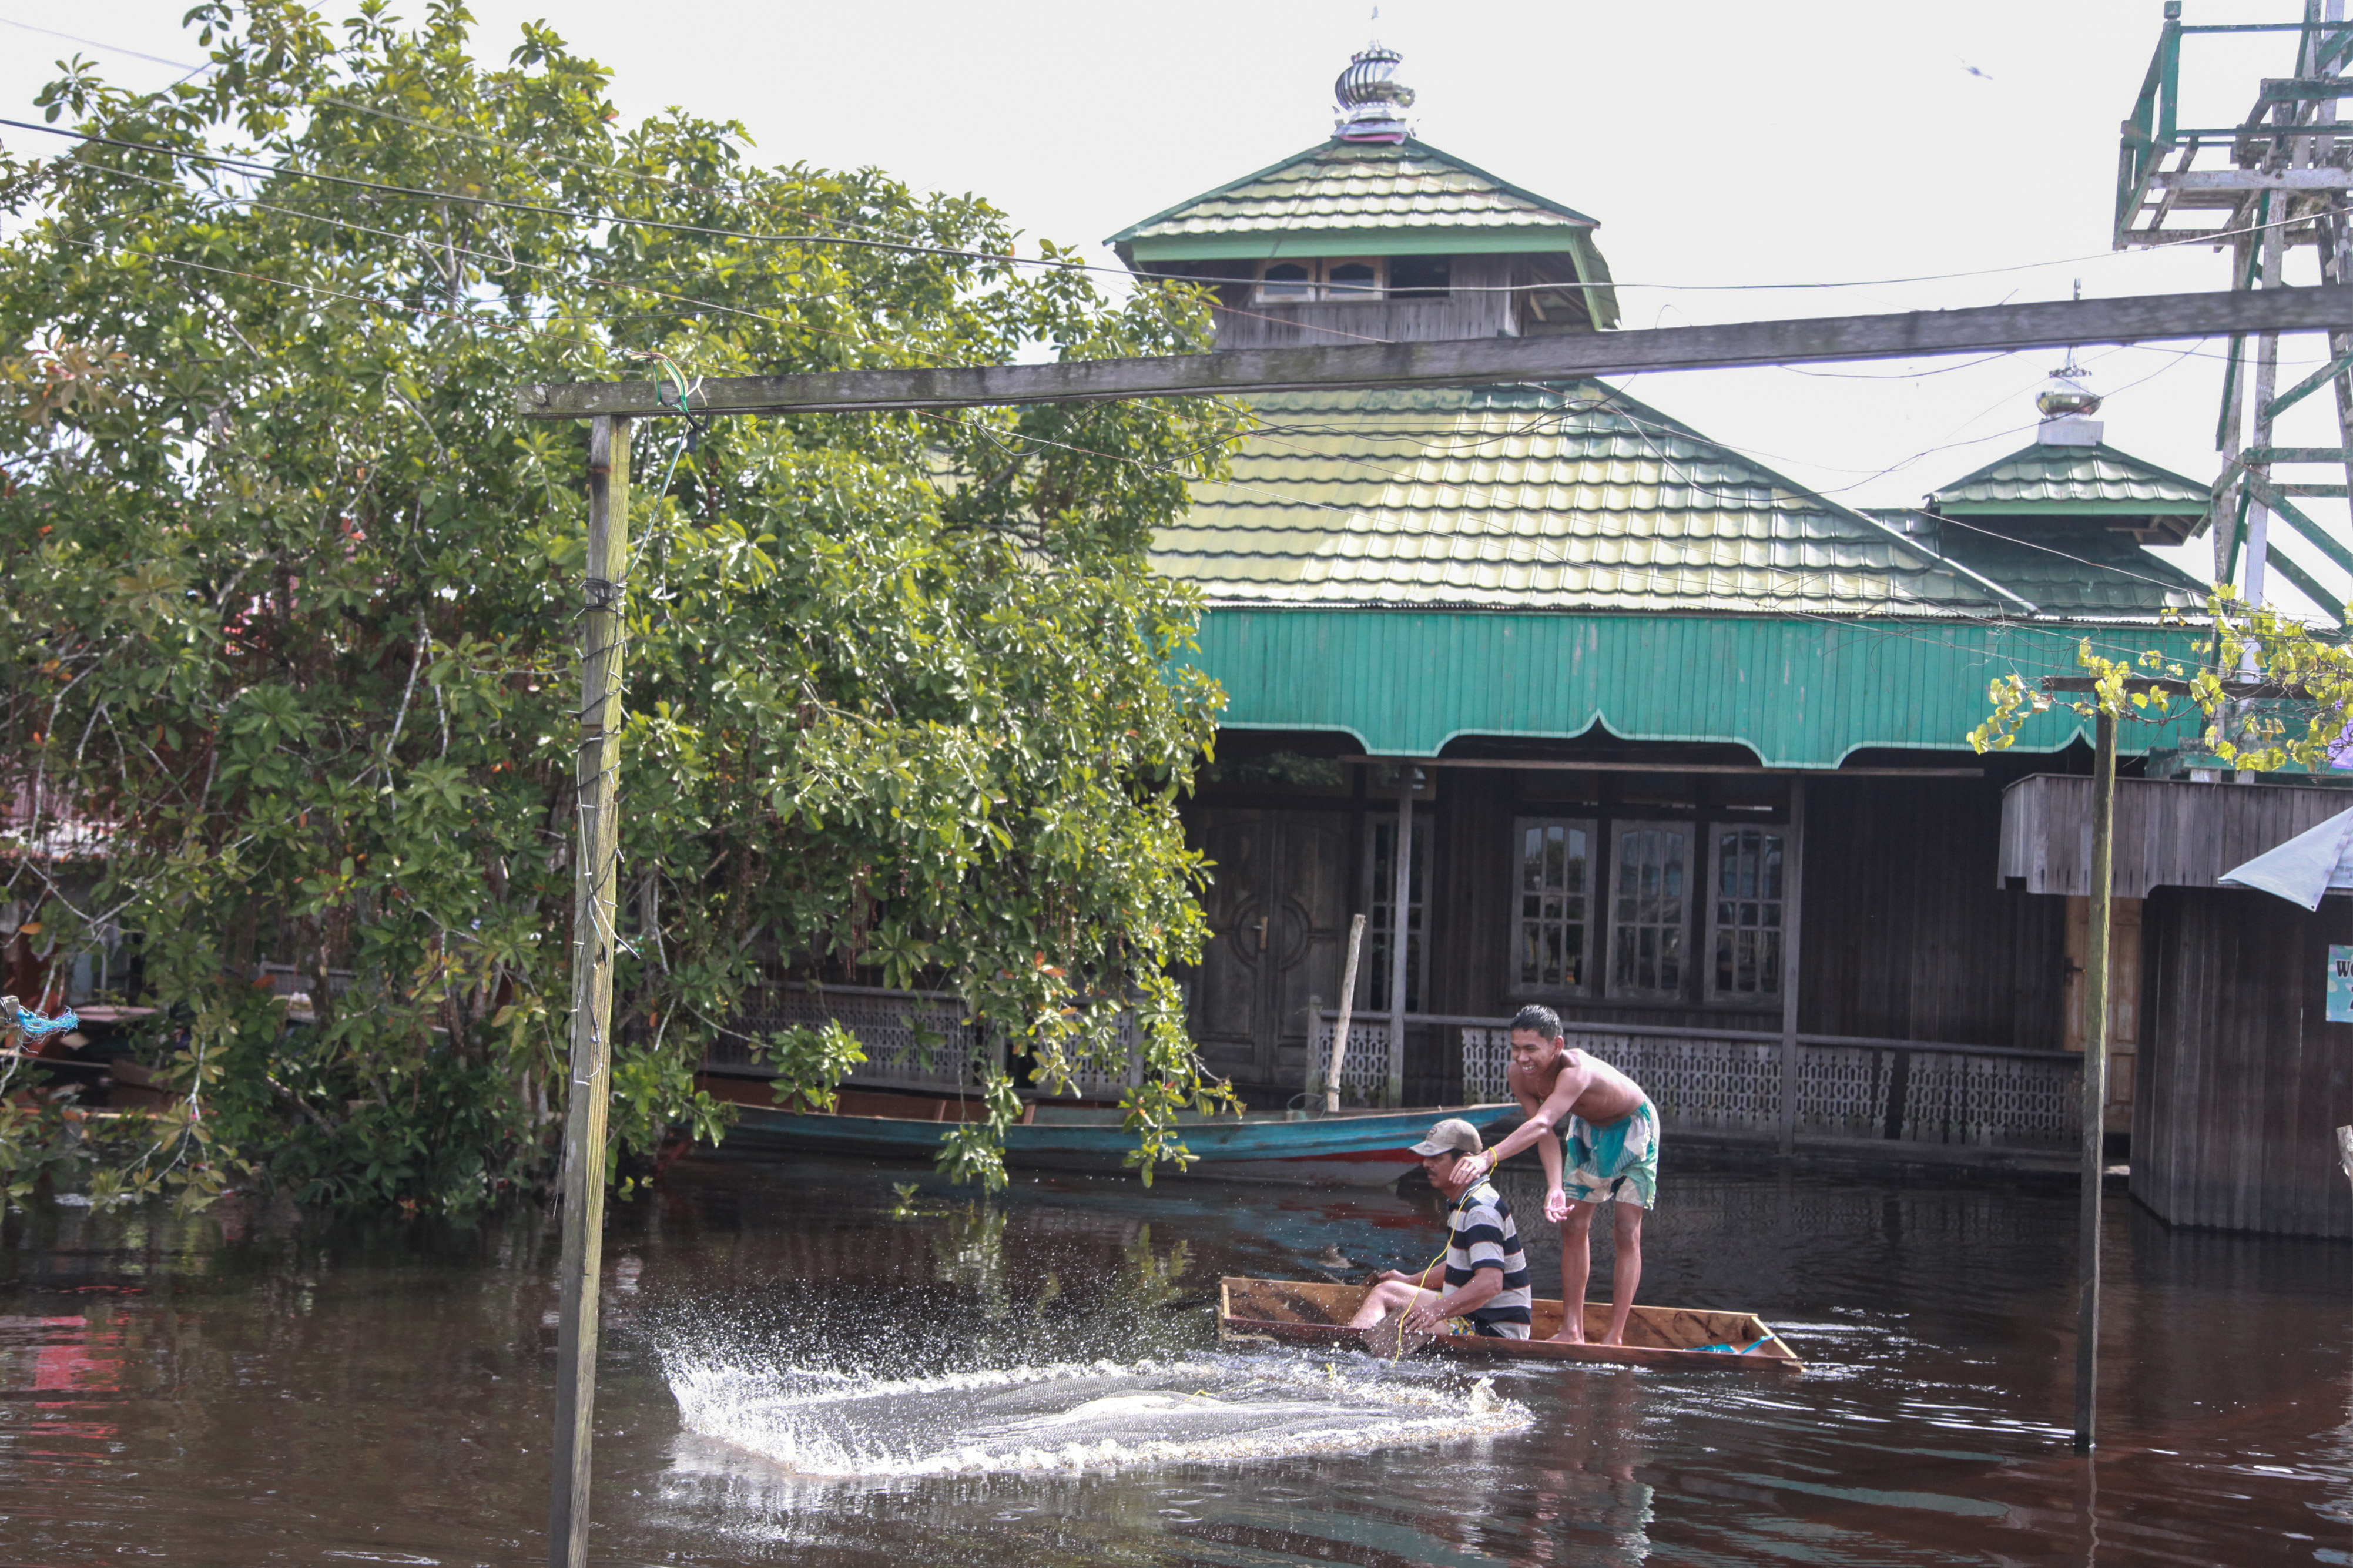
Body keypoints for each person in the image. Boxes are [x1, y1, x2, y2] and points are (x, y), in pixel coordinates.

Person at [1467, 1004, 1656, 1346]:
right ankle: (1573, 1330)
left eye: (1531, 1049)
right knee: (1573, 1225)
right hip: (1588, 1130)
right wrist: (1555, 1185)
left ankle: (1614, 1336)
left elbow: (1541, 1122)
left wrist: (1488, 1157)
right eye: (1515, 1048)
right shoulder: (1518, 1075)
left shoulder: (1575, 1071)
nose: (1522, 1058)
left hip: (1634, 1127)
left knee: (1626, 1232)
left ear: (1557, 1046)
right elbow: (1544, 1134)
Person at [1346, 1117, 1533, 1341]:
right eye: (1427, 1157)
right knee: (1385, 1291)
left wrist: (1435, 1311)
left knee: (1390, 1334)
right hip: (1469, 1315)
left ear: (1466, 1161)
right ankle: (1353, 1348)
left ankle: (1350, 1357)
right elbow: (1461, 1262)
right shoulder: (1462, 1201)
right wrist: (1408, 1280)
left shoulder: (1480, 1211)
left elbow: (1490, 1284)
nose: (1426, 1164)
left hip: (1493, 1329)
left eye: (1436, 1157)